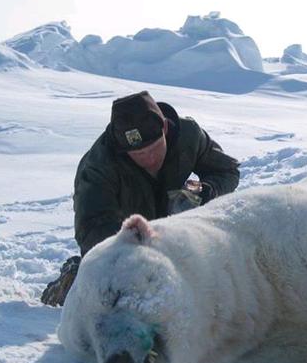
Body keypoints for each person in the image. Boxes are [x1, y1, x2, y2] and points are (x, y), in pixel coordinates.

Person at [41, 90, 240, 306]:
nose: (148, 159)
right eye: (138, 154)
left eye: (153, 149)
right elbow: (91, 230)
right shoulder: (97, 166)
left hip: (178, 234)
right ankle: (73, 280)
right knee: (112, 295)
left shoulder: (188, 135)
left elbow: (227, 171)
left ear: (164, 128)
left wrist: (206, 191)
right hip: (127, 240)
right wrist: (138, 245)